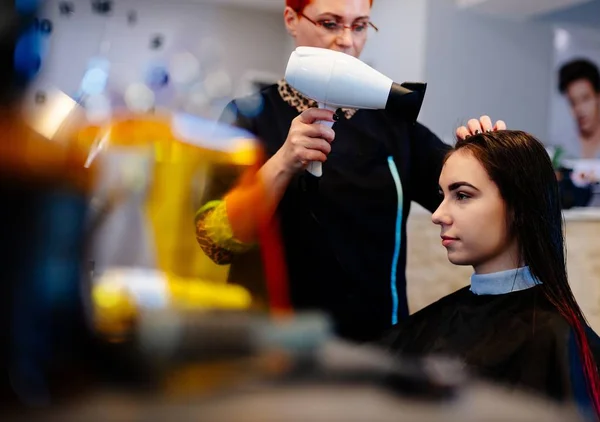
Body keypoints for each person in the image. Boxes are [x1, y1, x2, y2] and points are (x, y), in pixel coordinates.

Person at [195, 0, 506, 343]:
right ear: (291, 19)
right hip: (268, 343)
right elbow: (215, 239)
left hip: (376, 344)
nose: (347, 40)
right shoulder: (248, 117)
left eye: (359, 26)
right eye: (330, 23)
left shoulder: (395, 125)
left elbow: (464, 199)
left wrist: (482, 159)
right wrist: (283, 162)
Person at [383, 130, 600, 419]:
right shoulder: (433, 322)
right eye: (442, 195)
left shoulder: (553, 339)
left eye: (462, 195)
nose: (437, 214)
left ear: (518, 207)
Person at [559, 58, 600, 159]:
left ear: (598, 97)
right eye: (573, 103)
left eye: (585, 99)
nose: (579, 109)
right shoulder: (561, 147)